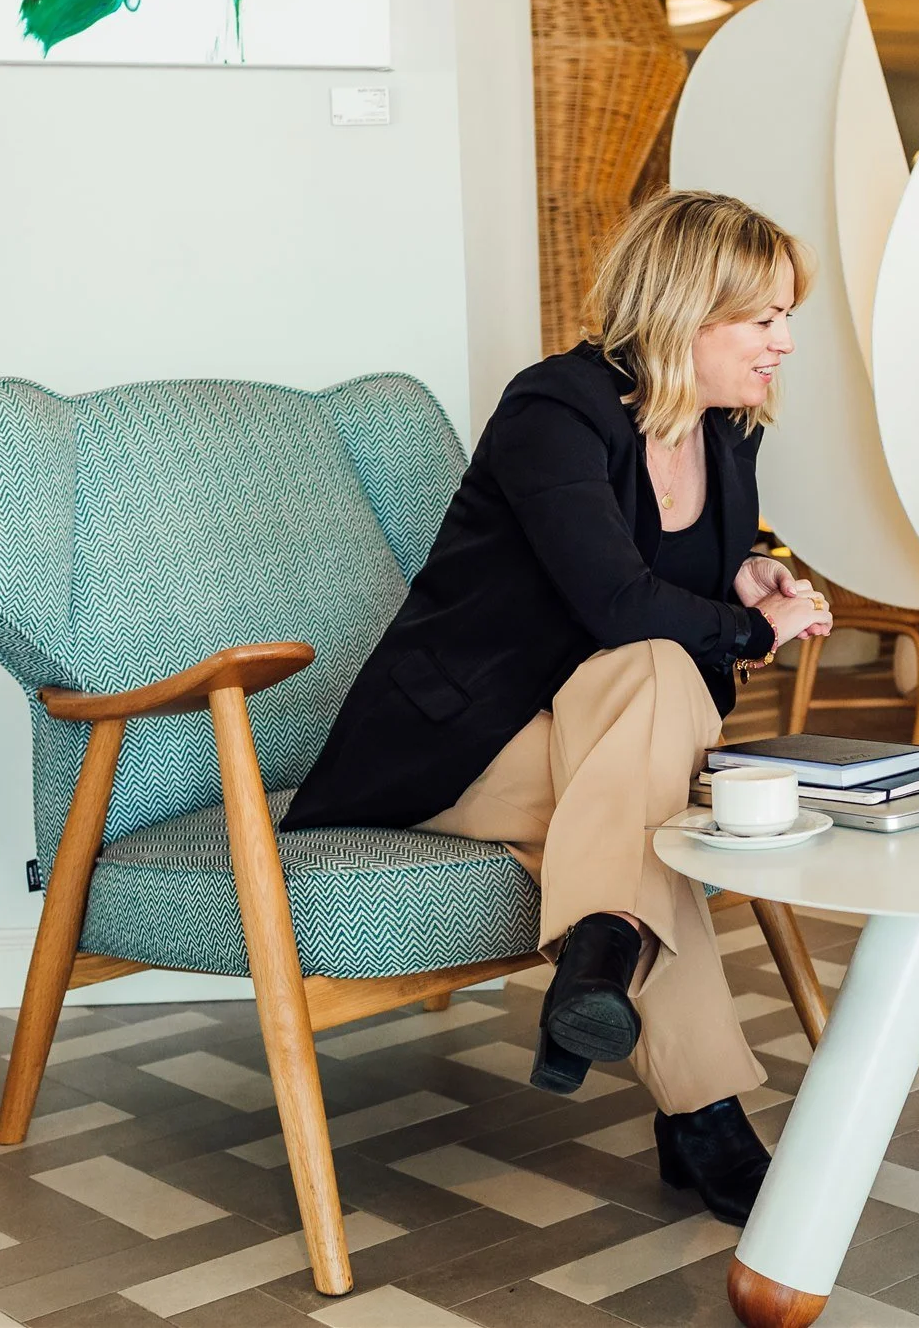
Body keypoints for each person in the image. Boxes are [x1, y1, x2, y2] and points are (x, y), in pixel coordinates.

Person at [283, 191, 834, 1224]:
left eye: (784, 317)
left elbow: (667, 618)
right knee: (655, 808)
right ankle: (699, 1111)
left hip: (609, 723)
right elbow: (614, 599)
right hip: (459, 738)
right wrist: (752, 632)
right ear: (686, 310)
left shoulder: (726, 436)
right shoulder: (555, 409)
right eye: (762, 318)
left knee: (660, 681)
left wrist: (746, 583)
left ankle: (603, 953)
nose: (784, 343)